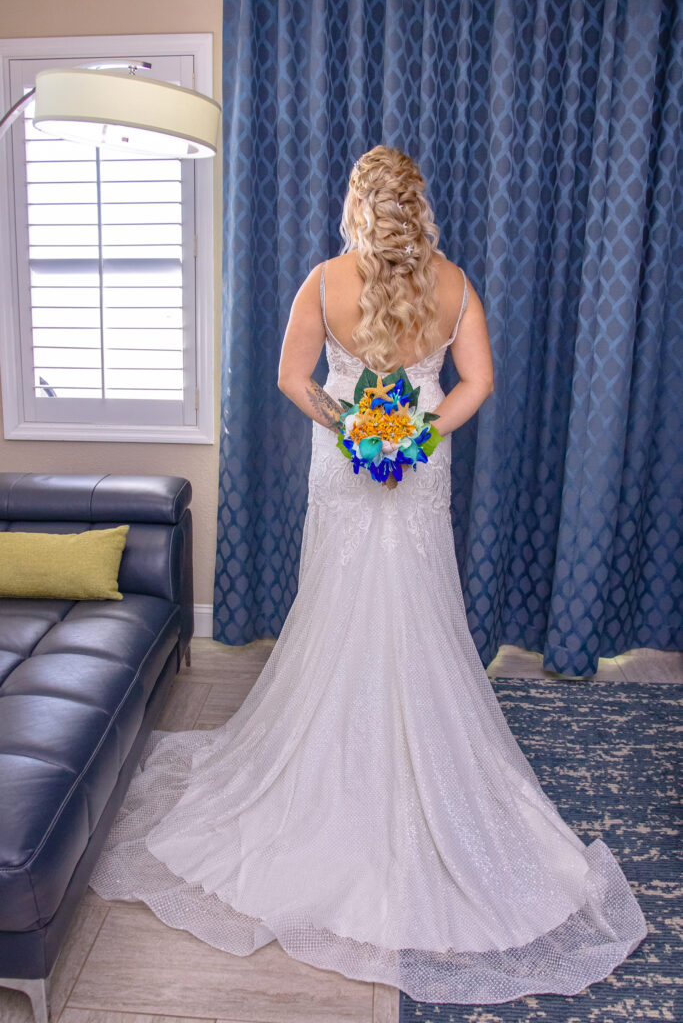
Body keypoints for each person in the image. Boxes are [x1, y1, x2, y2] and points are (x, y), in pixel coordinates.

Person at [89, 145, 648, 1004]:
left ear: (358, 207)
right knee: (416, 602)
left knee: (341, 602)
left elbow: (291, 380)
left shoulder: (322, 281)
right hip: (417, 473)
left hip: (345, 470)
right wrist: (416, 433)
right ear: (416, 208)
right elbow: (478, 384)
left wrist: (351, 424)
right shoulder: (455, 282)